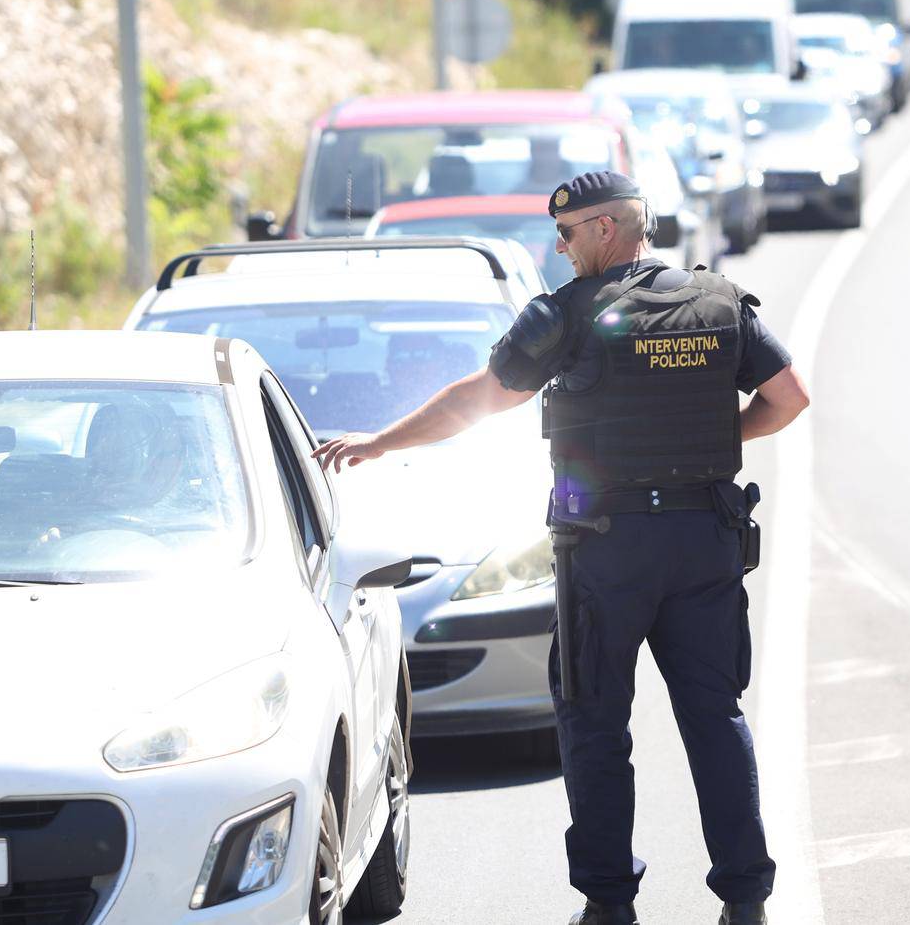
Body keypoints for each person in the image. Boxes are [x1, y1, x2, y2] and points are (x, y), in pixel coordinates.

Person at [313, 171, 811, 925]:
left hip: (607, 550)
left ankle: (610, 904)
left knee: (594, 723)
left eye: (569, 232)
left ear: (607, 230)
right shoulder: (717, 301)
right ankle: (746, 901)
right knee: (715, 716)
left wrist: (381, 443)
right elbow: (789, 398)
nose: (560, 246)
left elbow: (479, 397)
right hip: (702, 540)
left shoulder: (567, 314)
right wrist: (707, 444)